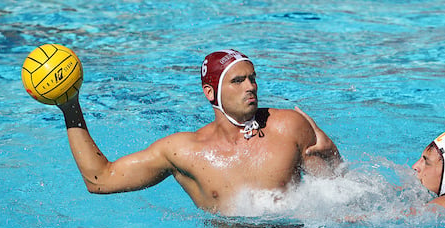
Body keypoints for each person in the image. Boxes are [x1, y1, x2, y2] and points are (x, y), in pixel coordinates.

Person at [56, 49, 341, 215]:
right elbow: (100, 180)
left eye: (252, 78)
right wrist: (71, 108)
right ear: (211, 93)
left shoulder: (290, 126)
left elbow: (339, 190)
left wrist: (333, 156)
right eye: (238, 81)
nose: (250, 86)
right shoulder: (184, 151)